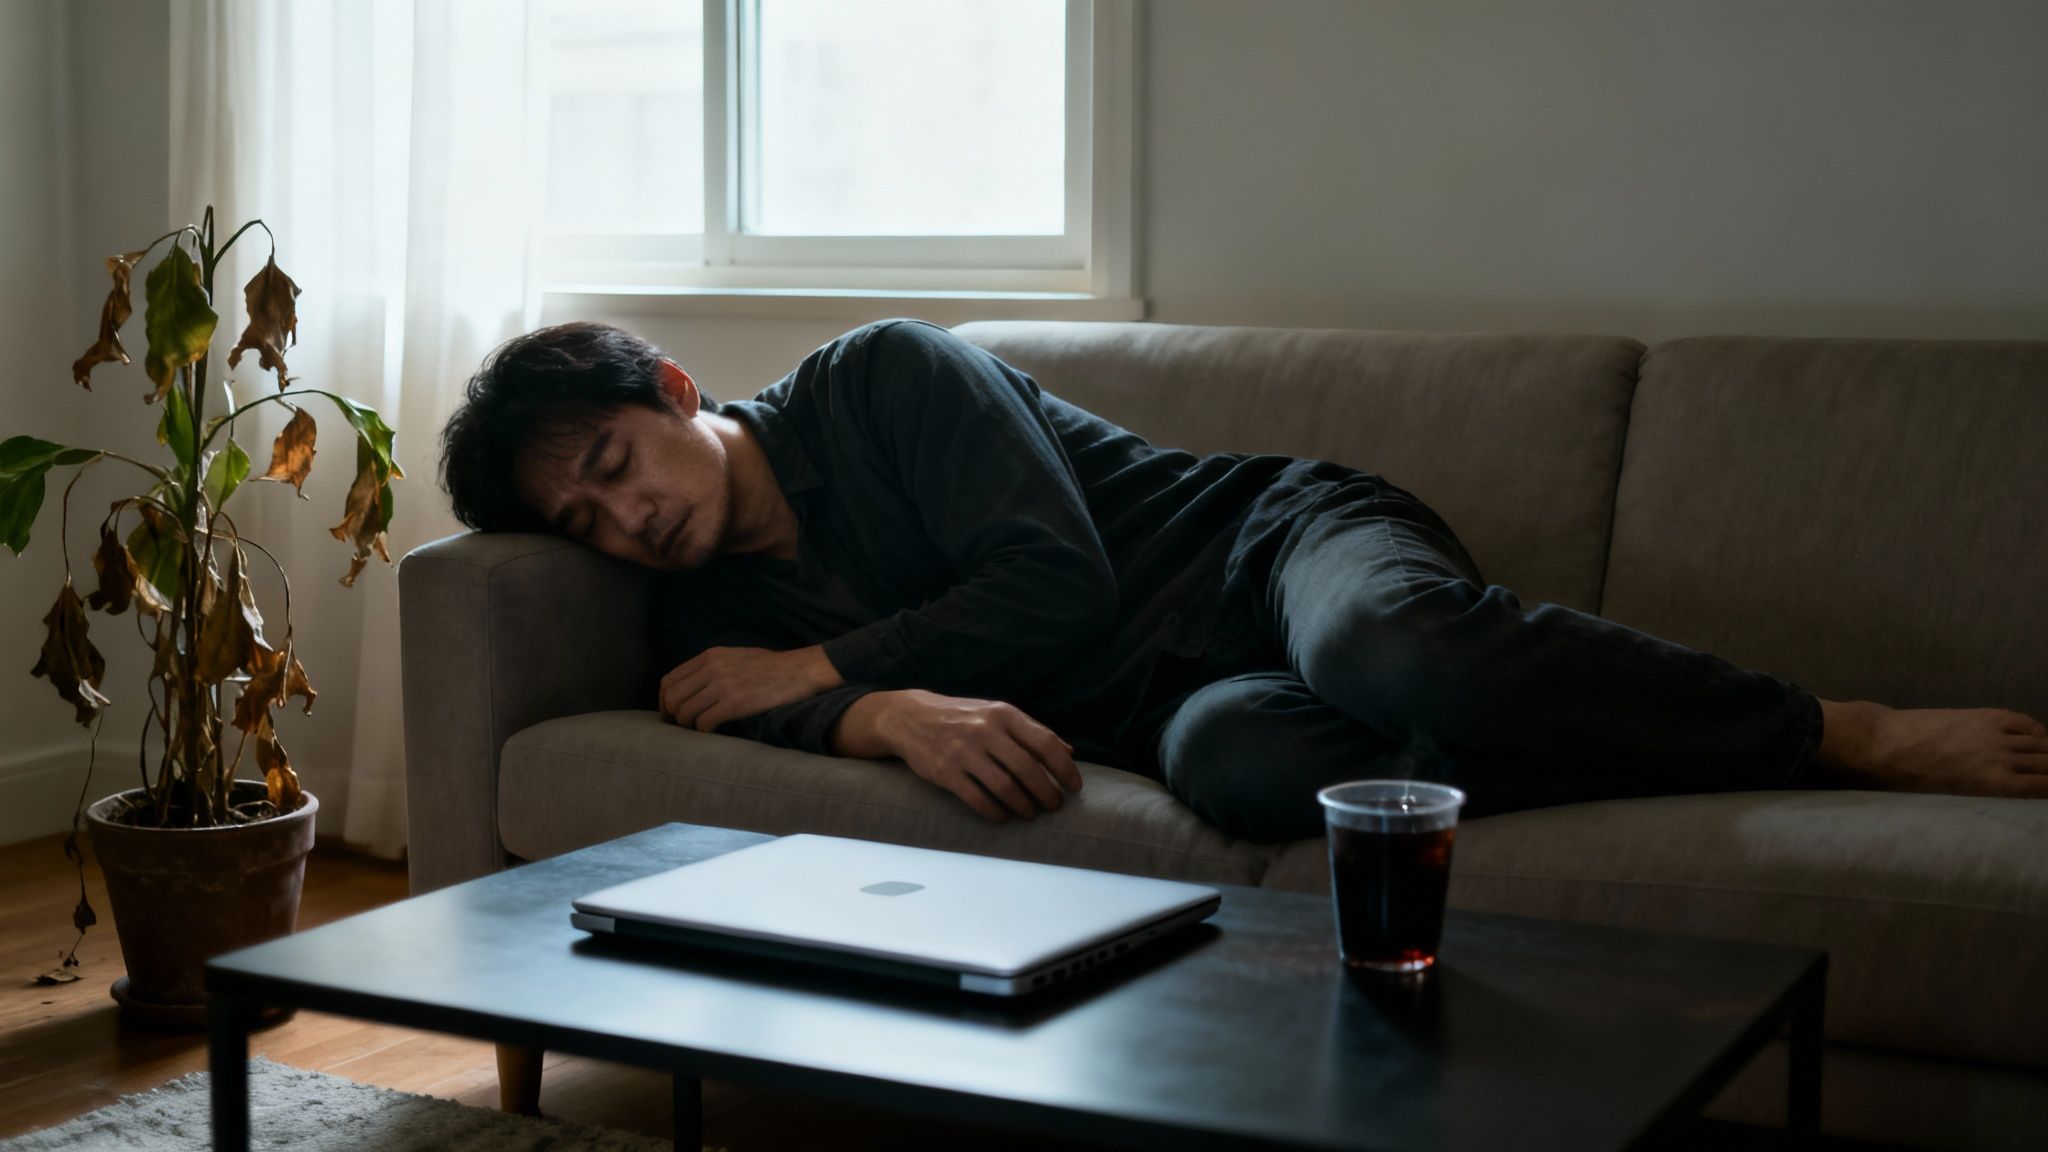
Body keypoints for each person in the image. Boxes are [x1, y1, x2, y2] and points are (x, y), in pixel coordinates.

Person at [438, 319, 2048, 840]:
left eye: (608, 470)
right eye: (581, 526)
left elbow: (1051, 587)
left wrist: (823, 680)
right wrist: (875, 716)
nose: (622, 523)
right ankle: (1589, 744)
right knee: (1247, 767)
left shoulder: (882, 378)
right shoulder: (716, 603)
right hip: (1196, 703)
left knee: (1389, 644)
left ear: (668, 390)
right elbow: (734, 702)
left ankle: (1832, 730)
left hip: (1276, 551)